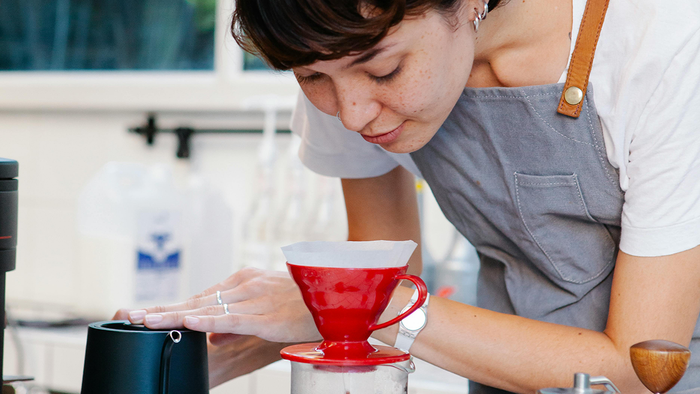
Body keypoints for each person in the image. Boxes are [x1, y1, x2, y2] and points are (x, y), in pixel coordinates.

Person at [115, 0, 700, 392]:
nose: (351, 113)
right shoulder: (340, 50)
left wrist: (352, 303)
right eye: (311, 79)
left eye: (385, 71)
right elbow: (383, 290)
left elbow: (637, 367)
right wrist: (232, 349)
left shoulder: (663, 46)